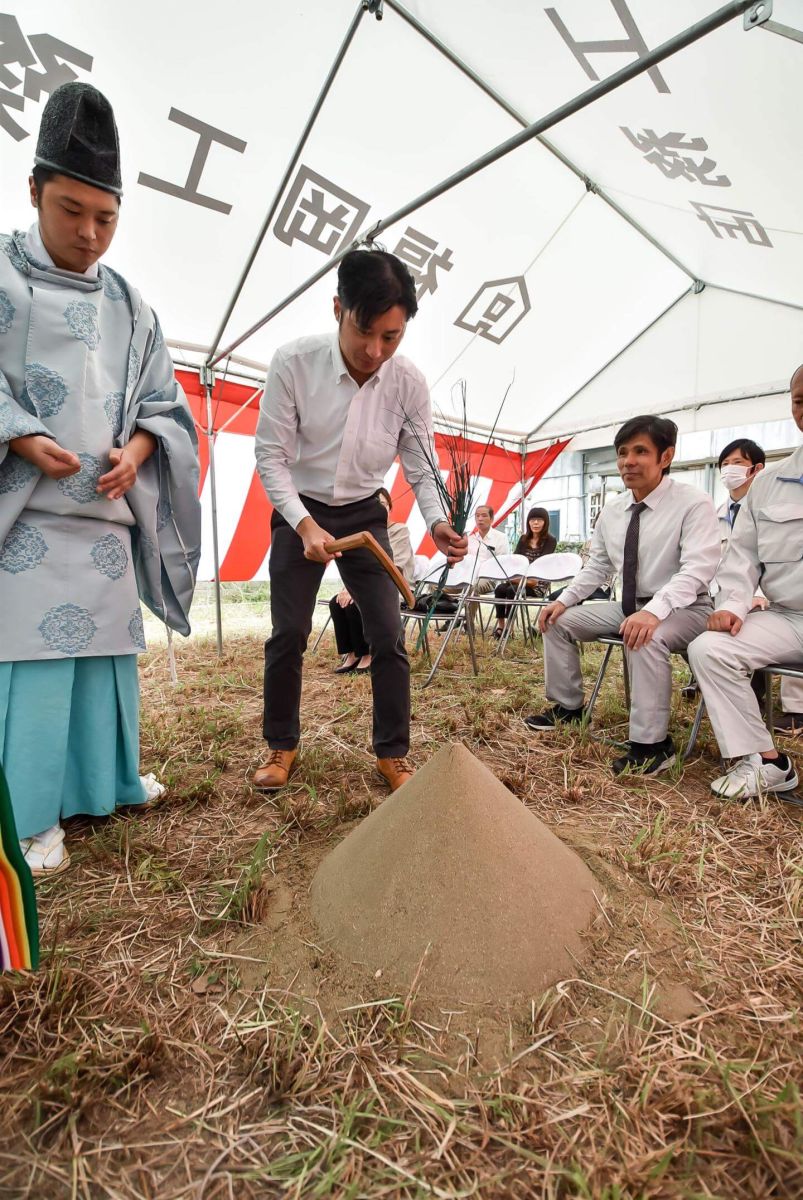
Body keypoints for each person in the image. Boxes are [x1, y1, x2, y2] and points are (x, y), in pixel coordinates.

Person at [0, 84, 201, 874]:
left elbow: (165, 404)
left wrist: (141, 453)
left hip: (110, 520)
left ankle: (106, 782)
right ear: (34, 193)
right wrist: (20, 435)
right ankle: (29, 813)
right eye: (70, 210)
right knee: (38, 667)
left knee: (105, 668)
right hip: (29, 523)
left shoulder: (130, 304)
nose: (89, 235)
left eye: (106, 218)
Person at [253, 248, 467, 794]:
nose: (375, 351)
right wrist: (303, 525)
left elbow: (420, 463)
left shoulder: (408, 383)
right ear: (337, 310)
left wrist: (438, 521)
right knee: (289, 633)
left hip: (366, 516)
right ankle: (282, 746)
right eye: (365, 331)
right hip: (299, 510)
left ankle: (392, 754)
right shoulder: (293, 362)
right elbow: (271, 456)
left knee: (389, 634)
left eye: (391, 337)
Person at [523, 415, 720, 775]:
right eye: (622, 452)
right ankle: (568, 709)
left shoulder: (694, 503)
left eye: (641, 451)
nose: (628, 461)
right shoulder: (614, 510)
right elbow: (598, 568)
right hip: (631, 606)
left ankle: (653, 745)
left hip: (687, 608)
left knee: (646, 635)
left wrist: (654, 612)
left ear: (666, 456)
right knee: (558, 621)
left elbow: (696, 571)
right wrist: (563, 599)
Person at [687, 368, 803, 799]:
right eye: (799, 400)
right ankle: (767, 761)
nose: (802, 409)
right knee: (709, 648)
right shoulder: (770, 485)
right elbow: (743, 556)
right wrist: (733, 606)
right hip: (790, 616)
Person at [330, 487, 414, 674]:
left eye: (383, 504)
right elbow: (353, 567)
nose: (378, 509)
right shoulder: (362, 533)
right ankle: (352, 654)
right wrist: (347, 587)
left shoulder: (400, 531)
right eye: (374, 505)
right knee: (336, 603)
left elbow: (395, 566)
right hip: (364, 582)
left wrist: (356, 588)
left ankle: (367, 654)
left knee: (357, 603)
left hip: (393, 584)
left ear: (390, 507)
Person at [493, 507, 557, 638]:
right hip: (520, 578)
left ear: (545, 522)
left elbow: (541, 563)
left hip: (538, 582)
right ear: (528, 522)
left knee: (512, 591)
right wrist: (516, 575)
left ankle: (509, 629)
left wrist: (523, 577)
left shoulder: (550, 540)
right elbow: (516, 560)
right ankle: (501, 625)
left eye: (539, 520)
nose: (535, 523)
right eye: (532, 520)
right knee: (500, 588)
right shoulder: (523, 539)